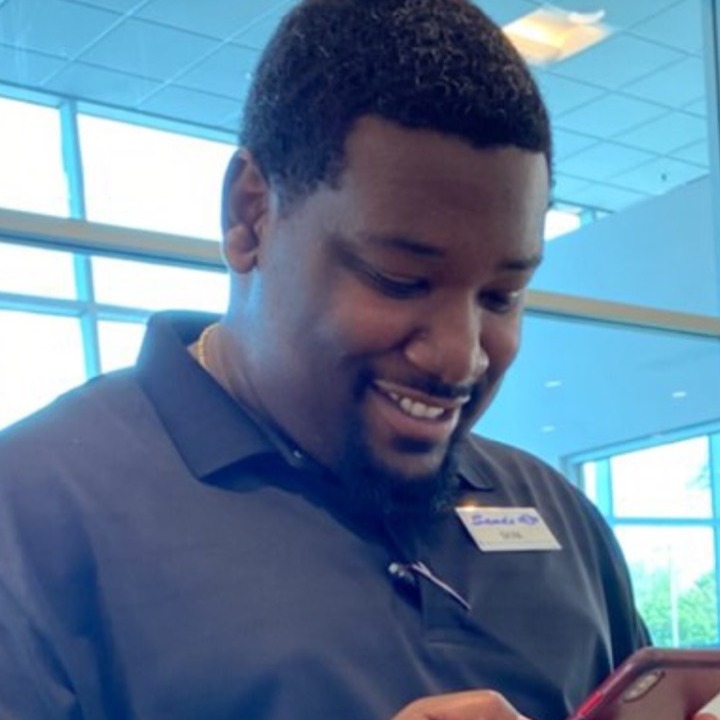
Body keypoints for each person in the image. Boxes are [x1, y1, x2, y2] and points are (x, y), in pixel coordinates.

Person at [0, 0, 652, 718]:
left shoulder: (561, 518)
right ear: (251, 217)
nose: (459, 356)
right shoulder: (30, 517)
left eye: (501, 296)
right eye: (399, 280)